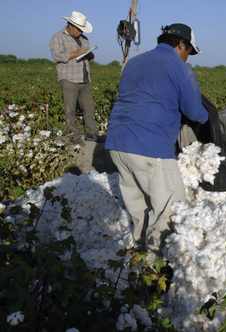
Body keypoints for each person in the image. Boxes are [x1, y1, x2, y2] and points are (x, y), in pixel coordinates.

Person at [105, 23, 208, 258]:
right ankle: (153, 269)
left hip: (118, 143)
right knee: (170, 207)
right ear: (181, 44)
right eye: (188, 52)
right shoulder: (179, 68)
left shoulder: (135, 62)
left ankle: (138, 254)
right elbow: (195, 112)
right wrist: (208, 117)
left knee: (139, 206)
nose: (187, 58)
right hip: (149, 146)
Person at [49, 11, 100, 146]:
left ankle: (91, 134)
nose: (79, 32)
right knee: (69, 108)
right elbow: (57, 56)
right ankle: (73, 136)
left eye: (81, 29)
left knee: (89, 106)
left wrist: (89, 55)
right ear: (70, 25)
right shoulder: (58, 37)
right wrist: (75, 53)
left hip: (83, 78)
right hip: (68, 78)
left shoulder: (84, 39)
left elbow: (89, 56)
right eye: (78, 29)